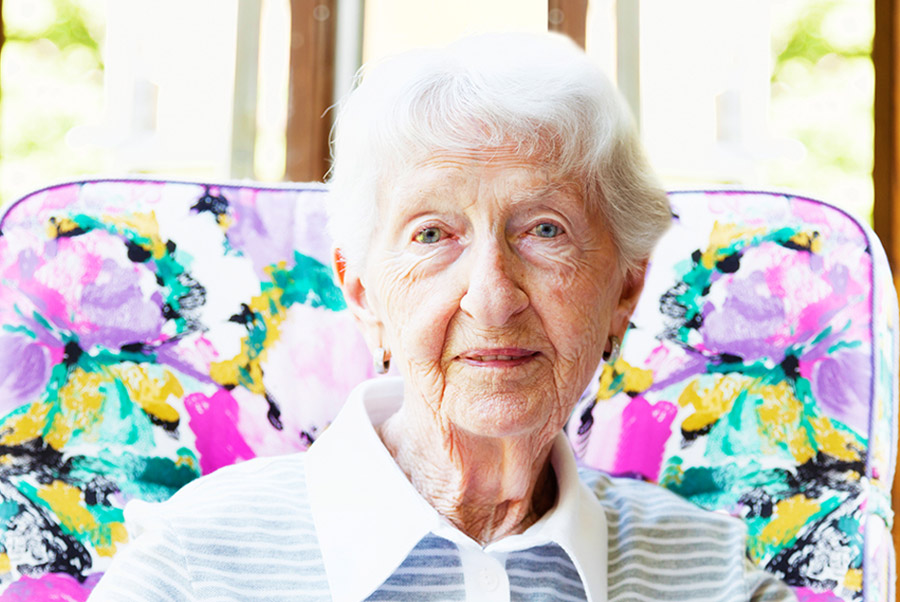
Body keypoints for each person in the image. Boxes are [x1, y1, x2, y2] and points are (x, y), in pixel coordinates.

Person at [89, 32, 796, 601]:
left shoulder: (717, 577)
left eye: (545, 230)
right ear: (363, 292)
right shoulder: (194, 567)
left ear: (623, 291)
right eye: (433, 235)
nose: (491, 297)